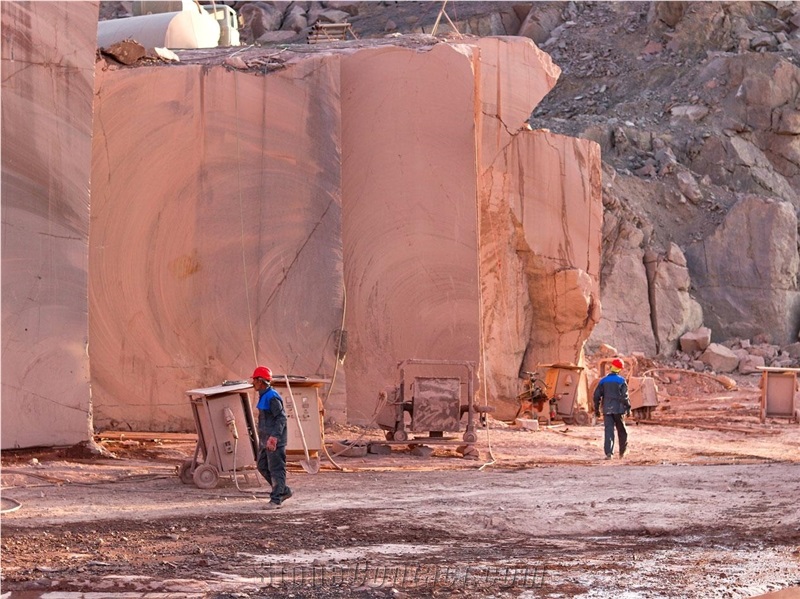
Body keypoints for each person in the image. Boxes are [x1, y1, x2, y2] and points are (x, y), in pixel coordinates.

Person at [251, 366, 292, 509]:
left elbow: (281, 418)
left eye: (255, 380)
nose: (253, 383)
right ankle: (283, 490)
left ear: (261, 381)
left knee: (276, 469)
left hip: (274, 440)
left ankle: (276, 499)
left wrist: (274, 437)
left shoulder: (272, 397)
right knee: (262, 466)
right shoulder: (264, 396)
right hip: (265, 440)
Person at [593, 358, 631, 460]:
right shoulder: (621, 381)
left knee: (609, 431)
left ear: (611, 367)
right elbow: (625, 396)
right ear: (620, 369)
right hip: (618, 410)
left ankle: (609, 453)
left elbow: (596, 396)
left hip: (607, 410)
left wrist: (596, 410)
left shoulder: (603, 381)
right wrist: (628, 408)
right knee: (622, 431)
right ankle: (622, 453)